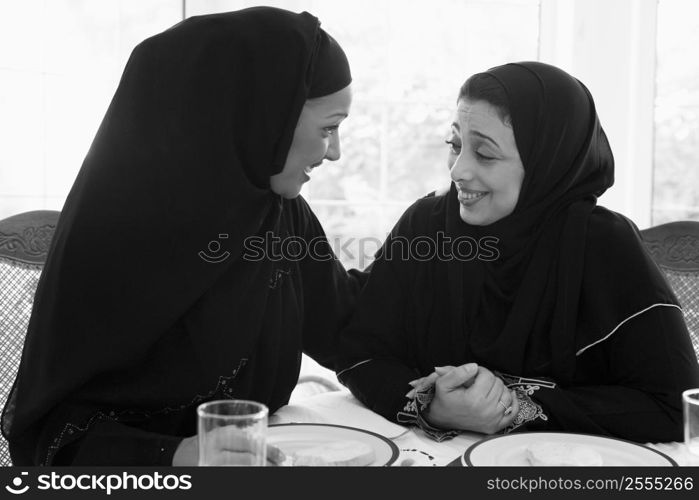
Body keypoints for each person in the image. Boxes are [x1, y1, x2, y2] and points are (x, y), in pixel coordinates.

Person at [1, 7, 365, 465]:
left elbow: (347, 326)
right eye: (329, 127)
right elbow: (48, 443)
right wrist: (177, 456)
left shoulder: (278, 216)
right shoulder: (114, 238)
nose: (334, 152)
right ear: (263, 115)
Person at [336, 61, 699, 444]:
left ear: (547, 161)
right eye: (455, 145)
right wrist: (431, 406)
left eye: (485, 154)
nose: (458, 171)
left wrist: (514, 406)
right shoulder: (428, 226)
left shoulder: (604, 245)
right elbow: (360, 352)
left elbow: (675, 405)